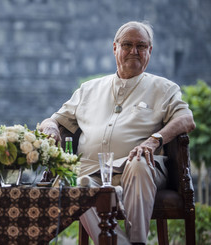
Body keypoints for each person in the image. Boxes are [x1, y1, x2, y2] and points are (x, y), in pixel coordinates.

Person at [39, 21, 195, 245]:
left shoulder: (164, 88)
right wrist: (52, 126)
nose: (134, 51)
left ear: (150, 51)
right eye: (127, 45)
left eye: (141, 46)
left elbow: (186, 119)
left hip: (141, 171)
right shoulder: (88, 90)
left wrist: (154, 141)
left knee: (139, 162)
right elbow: (53, 120)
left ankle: (137, 240)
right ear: (115, 48)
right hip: (92, 172)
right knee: (76, 184)